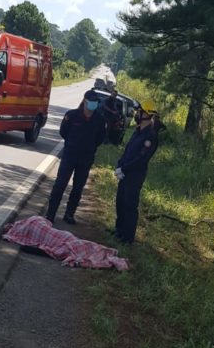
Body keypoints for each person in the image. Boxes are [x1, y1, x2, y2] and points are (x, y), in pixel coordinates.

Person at [45, 89, 107, 225]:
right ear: (85, 101)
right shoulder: (72, 115)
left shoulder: (100, 120)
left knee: (78, 187)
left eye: (95, 102)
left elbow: (100, 139)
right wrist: (73, 144)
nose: (93, 105)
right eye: (91, 102)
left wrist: (88, 147)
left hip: (86, 158)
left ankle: (69, 214)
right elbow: (63, 132)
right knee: (60, 184)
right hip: (70, 155)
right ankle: (50, 214)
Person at [113, 106, 159, 244]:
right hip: (125, 171)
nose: (137, 114)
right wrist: (119, 165)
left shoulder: (150, 136)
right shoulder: (137, 130)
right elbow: (128, 151)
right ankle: (119, 230)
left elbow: (141, 159)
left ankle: (128, 237)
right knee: (120, 201)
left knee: (130, 204)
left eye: (140, 111)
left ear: (147, 114)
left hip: (135, 175)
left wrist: (125, 169)